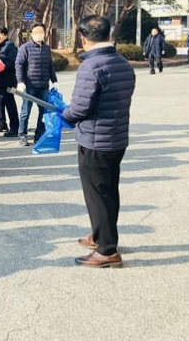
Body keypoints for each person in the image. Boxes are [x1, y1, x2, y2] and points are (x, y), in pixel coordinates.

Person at [62, 16, 135, 268]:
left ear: (83, 38)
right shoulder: (123, 63)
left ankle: (107, 250)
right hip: (116, 137)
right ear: (109, 35)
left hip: (95, 140)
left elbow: (80, 108)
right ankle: (102, 236)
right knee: (109, 191)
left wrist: (64, 115)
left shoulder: (91, 67)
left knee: (97, 195)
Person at [15, 22, 57, 146]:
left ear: (44, 33)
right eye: (36, 32)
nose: (39, 34)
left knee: (43, 112)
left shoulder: (46, 48)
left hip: (44, 86)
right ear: (31, 34)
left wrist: (54, 80)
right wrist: (20, 81)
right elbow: (19, 65)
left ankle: (39, 136)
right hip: (29, 85)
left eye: (41, 32)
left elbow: (50, 66)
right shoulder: (25, 48)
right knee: (25, 112)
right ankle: (22, 135)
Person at [0, 26, 19, 137]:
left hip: (8, 80)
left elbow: (13, 63)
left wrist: (2, 65)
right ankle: (1, 124)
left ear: (6, 35)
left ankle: (15, 128)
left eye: (1, 34)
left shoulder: (10, 46)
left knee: (9, 103)